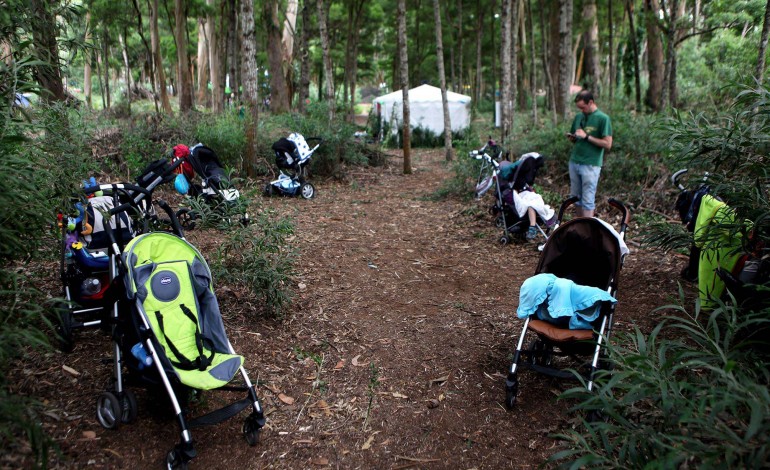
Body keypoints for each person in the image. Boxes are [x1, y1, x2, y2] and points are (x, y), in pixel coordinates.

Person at [566, 90, 613, 218]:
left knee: (587, 200)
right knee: (575, 198)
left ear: (591, 102)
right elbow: (576, 137)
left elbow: (608, 144)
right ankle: (580, 226)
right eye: (579, 108)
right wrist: (573, 138)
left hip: (591, 164)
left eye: (583, 107)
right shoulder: (579, 117)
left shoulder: (603, 118)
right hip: (575, 161)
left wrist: (587, 137)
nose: (581, 110)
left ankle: (588, 229)